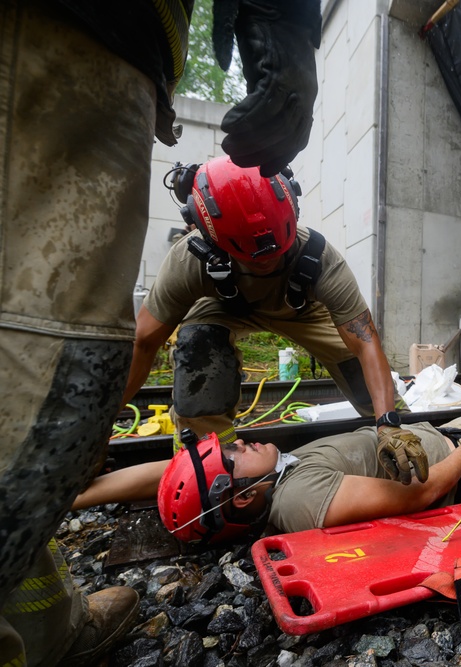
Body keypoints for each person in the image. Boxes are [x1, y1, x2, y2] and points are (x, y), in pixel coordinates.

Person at [0, 2, 321, 665]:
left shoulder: (313, 265)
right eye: (230, 461)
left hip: (95, 45)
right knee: (49, 355)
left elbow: (359, 336)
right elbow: (144, 345)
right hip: (78, 42)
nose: (241, 447)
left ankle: (37, 624)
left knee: (54, 371)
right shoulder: (189, 270)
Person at [127, 156, 428, 484]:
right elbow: (144, 343)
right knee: (199, 349)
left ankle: (415, 443)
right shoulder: (188, 261)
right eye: (255, 261)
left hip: (300, 310)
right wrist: (99, 428)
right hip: (219, 306)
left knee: (359, 373)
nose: (267, 265)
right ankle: (209, 469)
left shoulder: (320, 259)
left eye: (276, 256)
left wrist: (387, 422)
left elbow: (366, 344)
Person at [76, 417, 461, 541]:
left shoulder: (269, 475)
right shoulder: (298, 498)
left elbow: (172, 475)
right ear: (244, 497)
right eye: (233, 454)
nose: (241, 441)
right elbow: (419, 493)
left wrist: (77, 497)